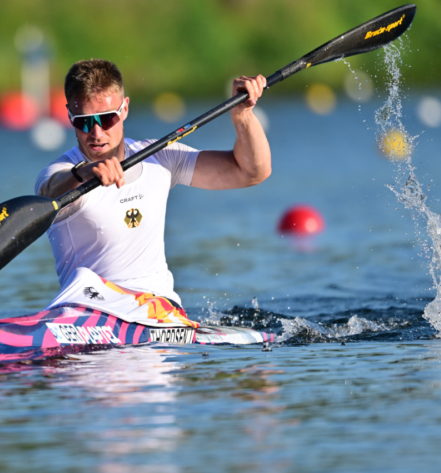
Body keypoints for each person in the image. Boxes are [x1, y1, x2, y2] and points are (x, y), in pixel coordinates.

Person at [35, 58, 270, 312]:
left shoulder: (160, 156)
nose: (96, 133)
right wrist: (84, 173)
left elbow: (251, 172)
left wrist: (243, 115)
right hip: (90, 311)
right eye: (84, 121)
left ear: (124, 109)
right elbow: (49, 194)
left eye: (106, 119)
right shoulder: (60, 173)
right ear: (69, 114)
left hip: (159, 311)